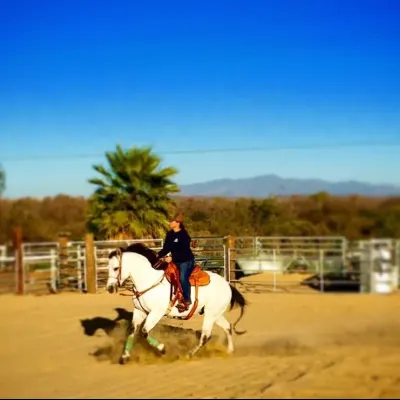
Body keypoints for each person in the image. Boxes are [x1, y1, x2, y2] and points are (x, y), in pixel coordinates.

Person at [157, 214, 195, 312]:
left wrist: (172, 257)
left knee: (182, 278)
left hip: (186, 261)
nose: (169, 223)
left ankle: (187, 300)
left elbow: (185, 252)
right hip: (175, 261)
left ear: (178, 223)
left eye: (171, 221)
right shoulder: (170, 234)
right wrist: (158, 255)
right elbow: (166, 248)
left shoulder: (184, 235)